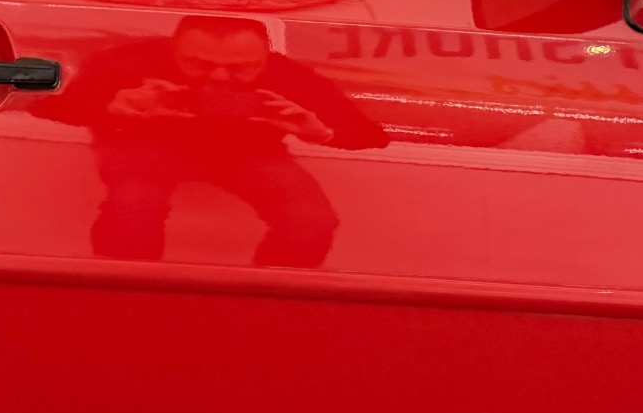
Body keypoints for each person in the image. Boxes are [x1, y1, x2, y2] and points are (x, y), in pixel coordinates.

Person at [39, 15, 386, 267]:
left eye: (241, 69)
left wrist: (318, 131)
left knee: (312, 220)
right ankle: (120, 301)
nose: (220, 77)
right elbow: (51, 108)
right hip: (145, 144)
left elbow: (371, 135)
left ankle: (271, 305)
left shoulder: (289, 76)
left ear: (266, 57)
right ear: (173, 51)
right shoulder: (129, 61)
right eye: (199, 65)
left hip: (248, 155)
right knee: (134, 204)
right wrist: (112, 108)